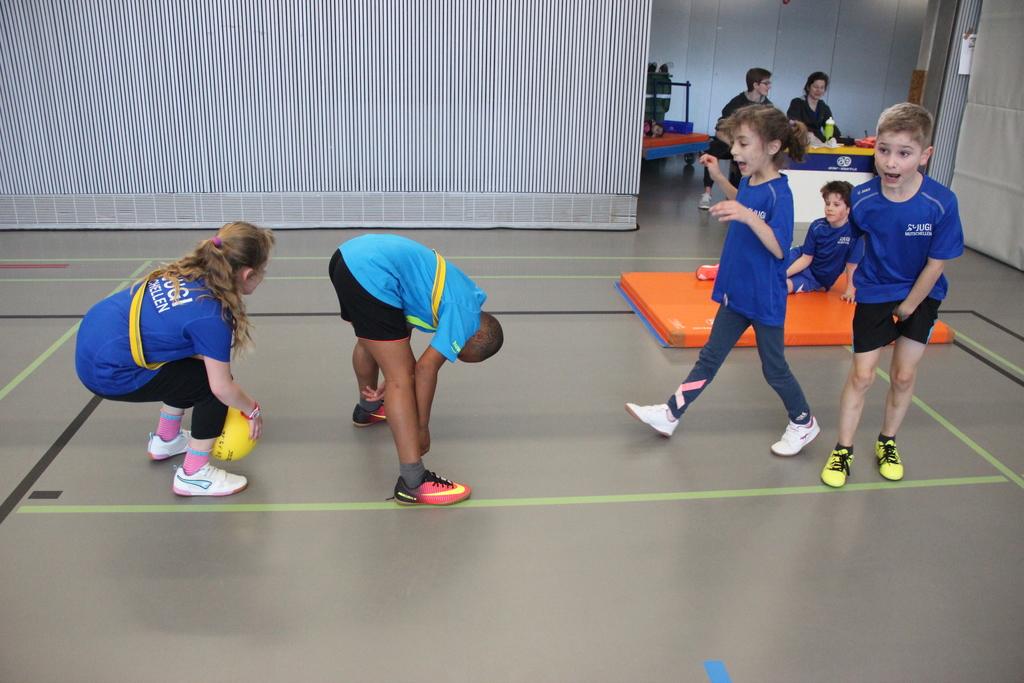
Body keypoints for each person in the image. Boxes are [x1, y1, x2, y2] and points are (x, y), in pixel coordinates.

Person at [628, 106, 821, 456]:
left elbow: (780, 247)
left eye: (743, 143)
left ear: (772, 147)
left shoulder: (780, 193)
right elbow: (743, 201)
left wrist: (747, 216)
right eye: (734, 143)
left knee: (774, 369)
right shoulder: (750, 181)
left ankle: (804, 421)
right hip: (738, 291)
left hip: (764, 297)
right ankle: (670, 414)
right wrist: (719, 178)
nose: (734, 151)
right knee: (709, 358)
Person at [820, 103, 964, 488]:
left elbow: (936, 264)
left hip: (920, 296)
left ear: (925, 155)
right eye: (883, 150)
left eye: (904, 153)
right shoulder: (863, 198)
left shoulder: (941, 202)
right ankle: (843, 449)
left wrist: (908, 307)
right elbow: (850, 243)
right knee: (862, 375)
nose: (891, 162)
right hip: (875, 293)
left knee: (902, 375)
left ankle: (887, 441)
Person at [75, 222, 275, 496]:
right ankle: (194, 474)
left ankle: (166, 439)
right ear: (248, 274)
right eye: (263, 270)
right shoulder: (212, 315)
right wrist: (252, 409)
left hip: (94, 342)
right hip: (108, 371)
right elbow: (221, 388)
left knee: (191, 368)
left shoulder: (187, 272)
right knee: (211, 387)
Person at [328, 234, 503, 506]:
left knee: (369, 342)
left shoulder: (463, 291)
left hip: (347, 259)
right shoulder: (466, 316)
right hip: (370, 272)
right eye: (459, 353)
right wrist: (421, 427)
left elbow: (399, 325)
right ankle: (414, 481)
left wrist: (390, 370)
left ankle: (368, 409)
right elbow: (425, 368)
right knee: (403, 378)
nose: (454, 353)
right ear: (478, 337)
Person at [698, 67, 774, 210]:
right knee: (712, 150)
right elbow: (719, 130)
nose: (769, 86)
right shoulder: (736, 103)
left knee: (747, 159)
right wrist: (735, 145)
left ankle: (739, 196)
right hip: (730, 142)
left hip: (751, 147)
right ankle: (707, 193)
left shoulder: (767, 107)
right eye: (766, 83)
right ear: (755, 85)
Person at [786, 180, 862, 299]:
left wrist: (850, 291)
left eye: (836, 205)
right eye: (827, 204)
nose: (829, 208)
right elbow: (805, 259)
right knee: (771, 269)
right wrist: (783, 274)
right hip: (800, 258)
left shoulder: (855, 233)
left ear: (849, 209)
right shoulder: (817, 226)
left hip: (815, 278)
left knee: (783, 286)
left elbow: (852, 265)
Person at [787, 72, 841, 145]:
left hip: (819, 143)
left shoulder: (824, 107)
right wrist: (807, 134)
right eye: (816, 87)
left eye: (822, 88)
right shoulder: (797, 103)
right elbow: (794, 124)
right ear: (808, 87)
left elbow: (832, 129)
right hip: (800, 142)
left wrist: (847, 140)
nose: (818, 90)